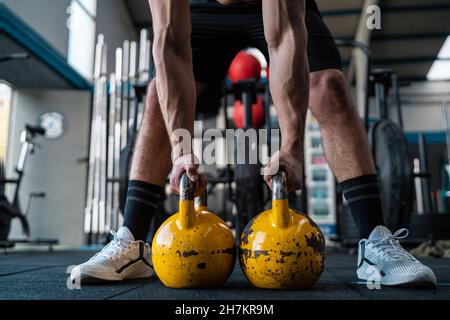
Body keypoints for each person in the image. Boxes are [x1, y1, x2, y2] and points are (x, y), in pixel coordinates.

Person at [71, 0, 436, 287]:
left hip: (279, 11)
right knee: (155, 96)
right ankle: (131, 245)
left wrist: (291, 147)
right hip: (201, 11)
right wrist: (181, 152)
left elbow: (284, 39)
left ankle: (375, 243)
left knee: (329, 86)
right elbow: (172, 46)